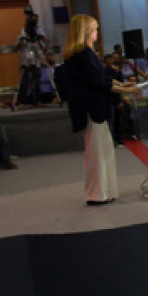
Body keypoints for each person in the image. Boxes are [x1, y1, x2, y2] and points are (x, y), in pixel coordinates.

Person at [58, 15, 140, 205]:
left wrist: (121, 85)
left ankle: (105, 190)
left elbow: (100, 77)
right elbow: (96, 82)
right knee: (97, 153)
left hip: (95, 108)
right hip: (91, 109)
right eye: (94, 30)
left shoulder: (82, 54)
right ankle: (97, 193)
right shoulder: (82, 55)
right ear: (86, 31)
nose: (96, 34)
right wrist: (125, 89)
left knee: (102, 150)